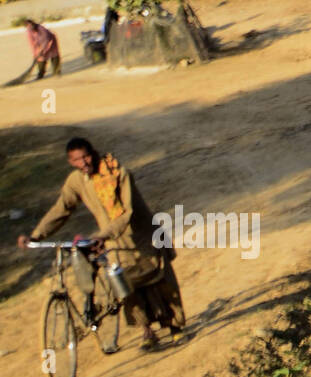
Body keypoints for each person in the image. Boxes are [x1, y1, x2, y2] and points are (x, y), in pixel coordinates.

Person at [19, 137, 186, 352]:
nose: (84, 163)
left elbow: (128, 212)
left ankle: (174, 327)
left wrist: (103, 235)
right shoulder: (76, 181)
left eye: (86, 156)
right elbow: (62, 208)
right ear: (71, 162)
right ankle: (147, 331)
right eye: (77, 160)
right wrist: (35, 236)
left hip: (143, 236)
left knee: (161, 282)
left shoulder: (118, 174)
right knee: (126, 288)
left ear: (94, 152)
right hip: (113, 242)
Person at [6, 18, 61, 86]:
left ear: (33, 23)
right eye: (28, 26)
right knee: (40, 60)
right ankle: (40, 75)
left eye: (31, 25)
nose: (30, 26)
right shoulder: (29, 32)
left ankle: (56, 73)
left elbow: (46, 39)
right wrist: (35, 53)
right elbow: (32, 44)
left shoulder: (41, 28)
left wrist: (42, 49)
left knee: (54, 56)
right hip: (39, 45)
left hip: (51, 42)